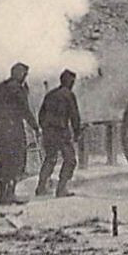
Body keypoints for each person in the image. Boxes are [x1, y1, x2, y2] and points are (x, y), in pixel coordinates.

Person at [0, 63, 40, 205]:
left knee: (4, 161)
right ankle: (10, 195)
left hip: (1, 129)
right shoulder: (18, 89)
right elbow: (25, 110)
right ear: (20, 74)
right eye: (24, 74)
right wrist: (36, 127)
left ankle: (3, 195)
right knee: (16, 161)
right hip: (14, 130)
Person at [36, 69, 84, 198]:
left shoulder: (50, 94)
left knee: (50, 159)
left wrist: (44, 128)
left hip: (48, 132)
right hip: (61, 132)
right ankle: (61, 189)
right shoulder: (69, 95)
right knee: (70, 160)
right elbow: (75, 116)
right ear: (70, 82)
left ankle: (40, 187)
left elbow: (41, 114)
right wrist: (77, 132)